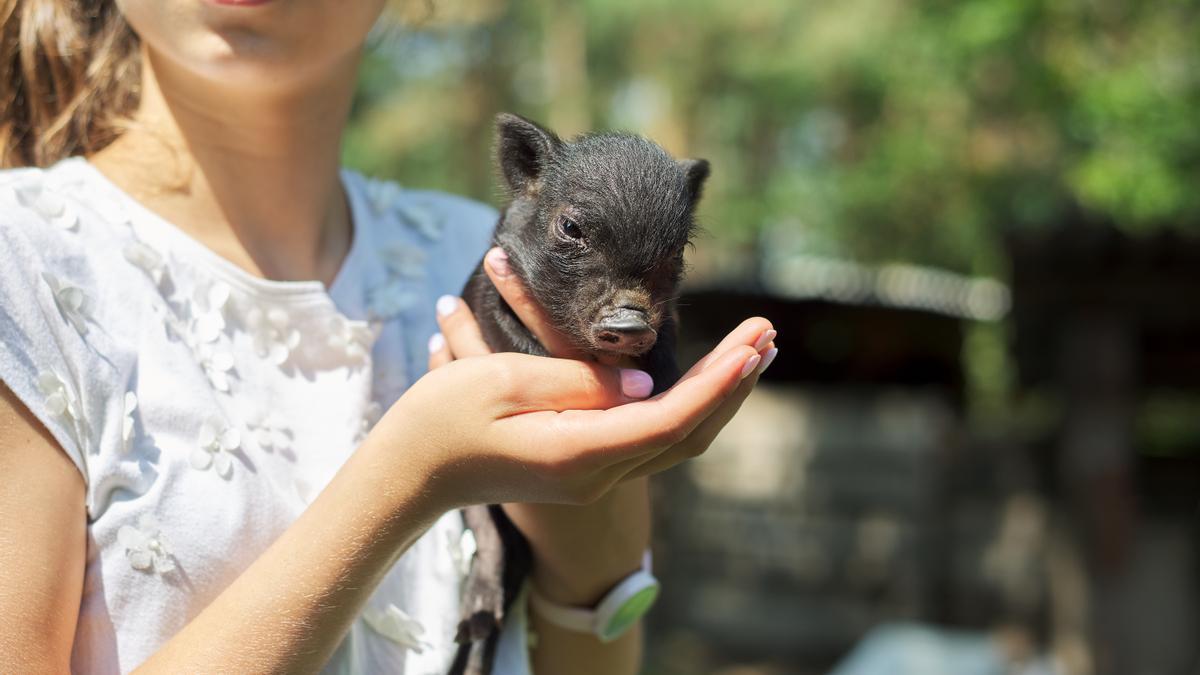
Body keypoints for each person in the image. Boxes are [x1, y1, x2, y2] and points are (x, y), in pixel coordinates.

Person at [0, 1, 777, 673]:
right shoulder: (22, 264)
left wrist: (587, 526)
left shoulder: (499, 268)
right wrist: (410, 478)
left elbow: (591, 655)